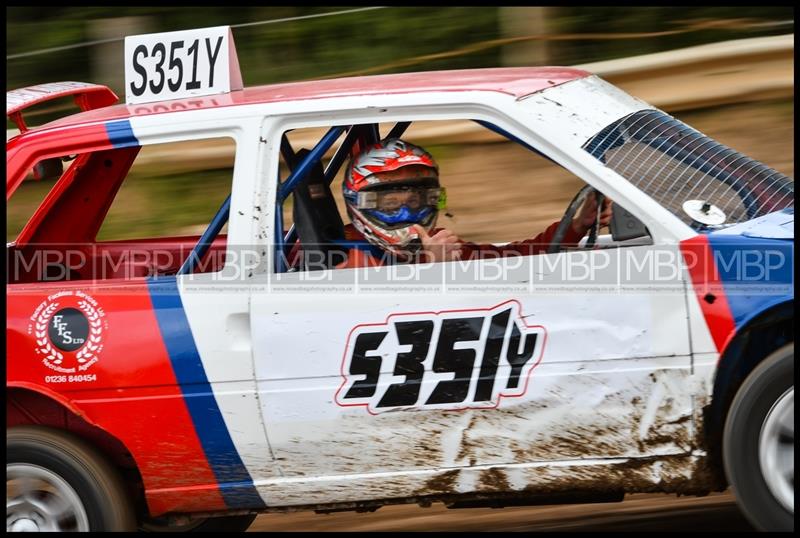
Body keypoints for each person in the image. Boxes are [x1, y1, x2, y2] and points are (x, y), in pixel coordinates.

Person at [336, 138, 611, 269]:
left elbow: (512, 261)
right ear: (359, 202)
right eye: (392, 203)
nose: (409, 213)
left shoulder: (436, 243)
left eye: (418, 201)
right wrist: (432, 268)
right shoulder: (341, 258)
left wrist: (576, 225)